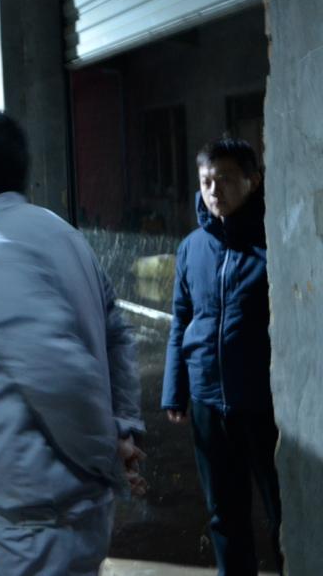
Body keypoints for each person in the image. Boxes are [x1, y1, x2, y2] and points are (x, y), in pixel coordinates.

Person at [0, 108, 146, 576]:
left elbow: (61, 379)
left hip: (39, 515)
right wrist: (123, 427)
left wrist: (107, 454)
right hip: (65, 504)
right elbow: (117, 336)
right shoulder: (57, 230)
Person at [161, 137, 282, 574]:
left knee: (283, 513)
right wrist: (175, 389)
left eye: (226, 179)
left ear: (254, 180)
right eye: (206, 181)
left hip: (266, 405)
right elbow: (182, 319)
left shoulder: (275, 244)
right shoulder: (192, 247)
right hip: (208, 401)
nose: (214, 191)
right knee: (224, 516)